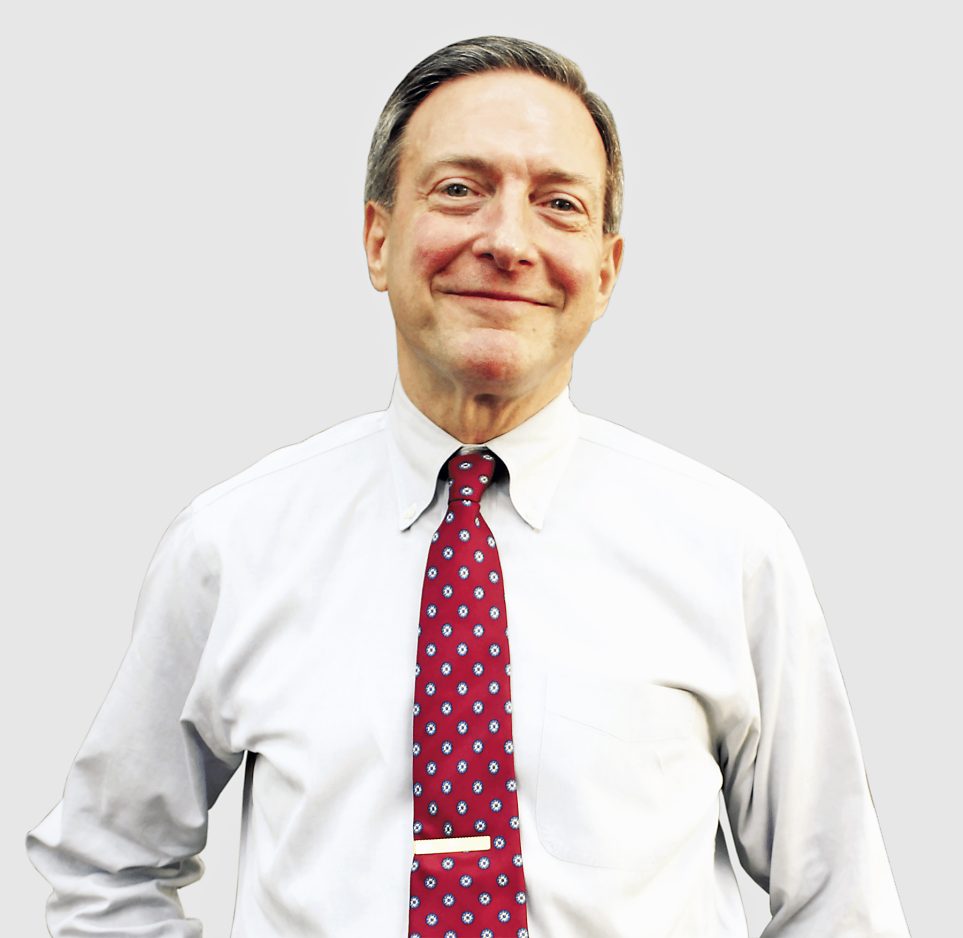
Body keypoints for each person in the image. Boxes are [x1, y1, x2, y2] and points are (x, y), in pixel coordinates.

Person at [28, 35, 910, 937]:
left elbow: (841, 904)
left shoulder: (728, 552)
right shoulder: (231, 546)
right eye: (458, 190)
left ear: (605, 271)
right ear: (378, 239)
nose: (507, 242)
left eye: (558, 204)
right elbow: (105, 865)